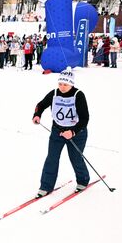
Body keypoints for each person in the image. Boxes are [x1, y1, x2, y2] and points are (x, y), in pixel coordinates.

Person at [32, 67, 90, 197]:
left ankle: (83, 180)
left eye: (65, 84)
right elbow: (41, 105)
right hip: (57, 131)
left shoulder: (78, 95)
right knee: (52, 158)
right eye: (60, 84)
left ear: (71, 84)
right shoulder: (54, 93)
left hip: (77, 133)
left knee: (75, 158)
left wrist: (73, 132)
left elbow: (85, 118)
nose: (62, 87)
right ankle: (46, 186)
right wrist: (37, 114)